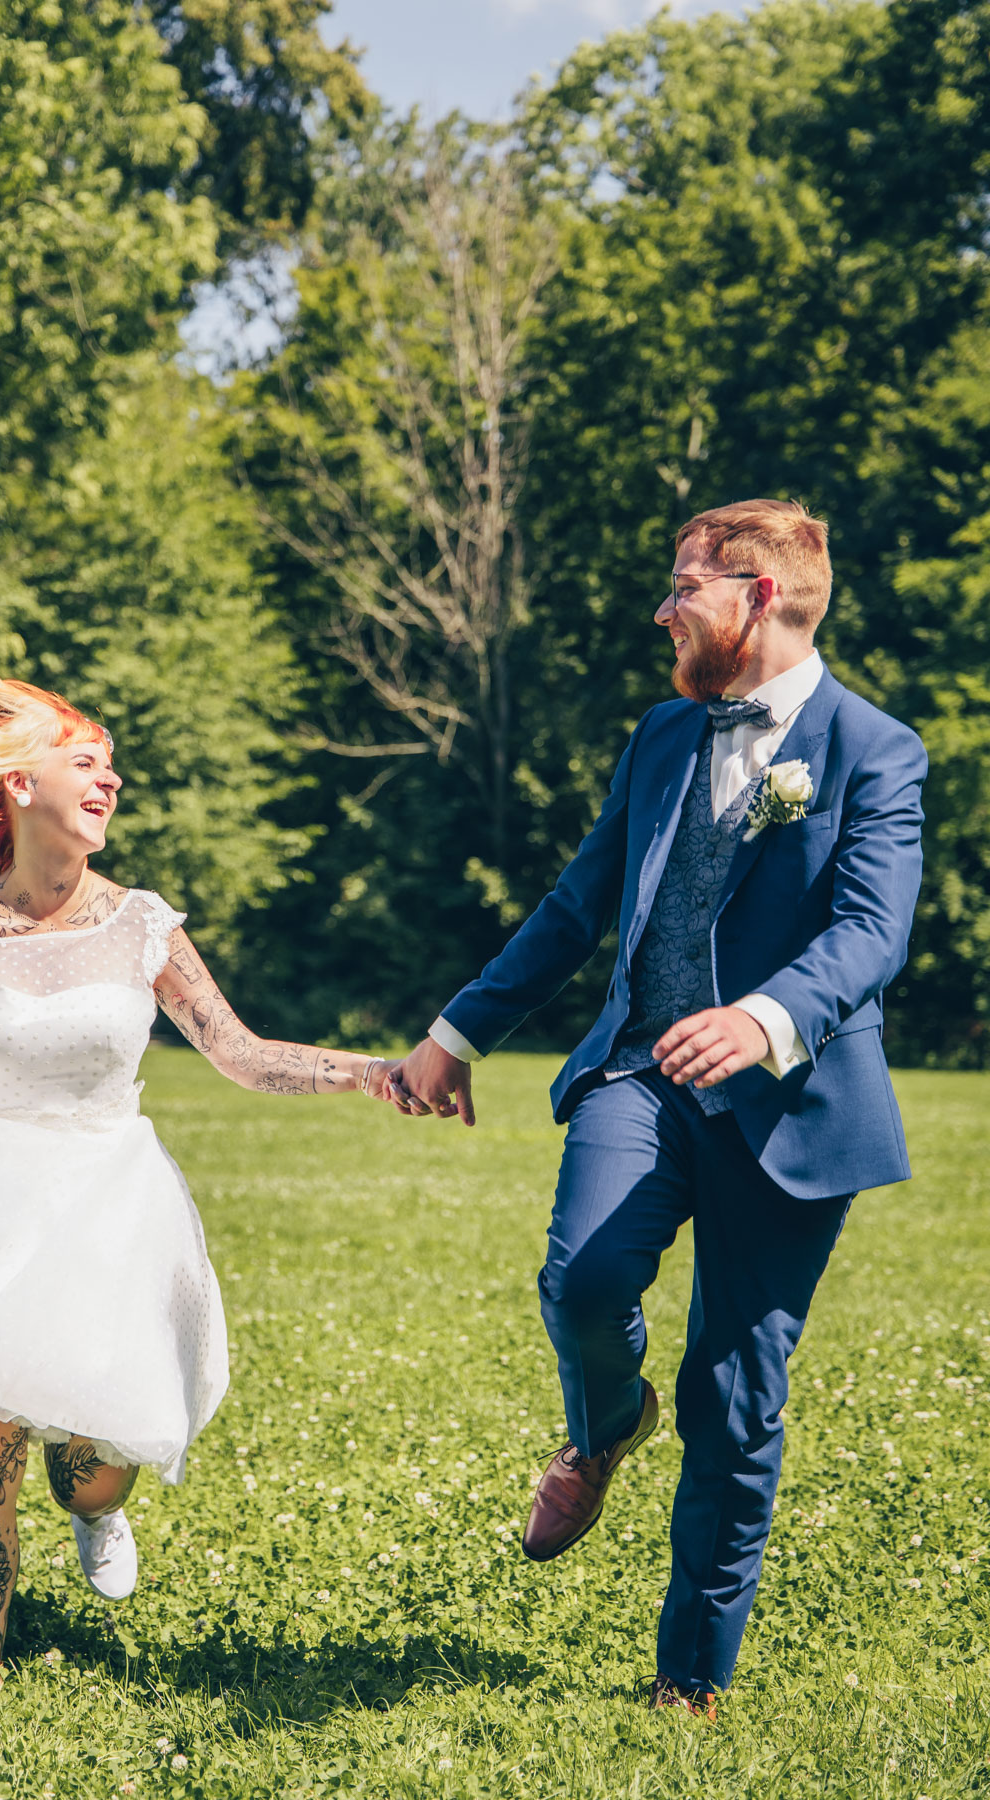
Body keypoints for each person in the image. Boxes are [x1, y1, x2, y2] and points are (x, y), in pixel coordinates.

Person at [386, 500, 927, 1717]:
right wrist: (458, 1031)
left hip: (790, 1107)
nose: (662, 608)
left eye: (685, 586)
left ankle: (691, 1677)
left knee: (734, 1399)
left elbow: (871, 934)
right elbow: (579, 905)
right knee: (582, 1280)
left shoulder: (876, 751)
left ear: (763, 595)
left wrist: (766, 1019)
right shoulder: (662, 736)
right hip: (640, 1074)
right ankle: (603, 1423)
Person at [0, 670, 391, 1689]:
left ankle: (99, 1505)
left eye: (112, 765)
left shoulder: (141, 925)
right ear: (21, 787)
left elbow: (237, 1051)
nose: (109, 779)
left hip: (111, 1197)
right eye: (86, 762)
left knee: (91, 1457)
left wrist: (374, 1073)